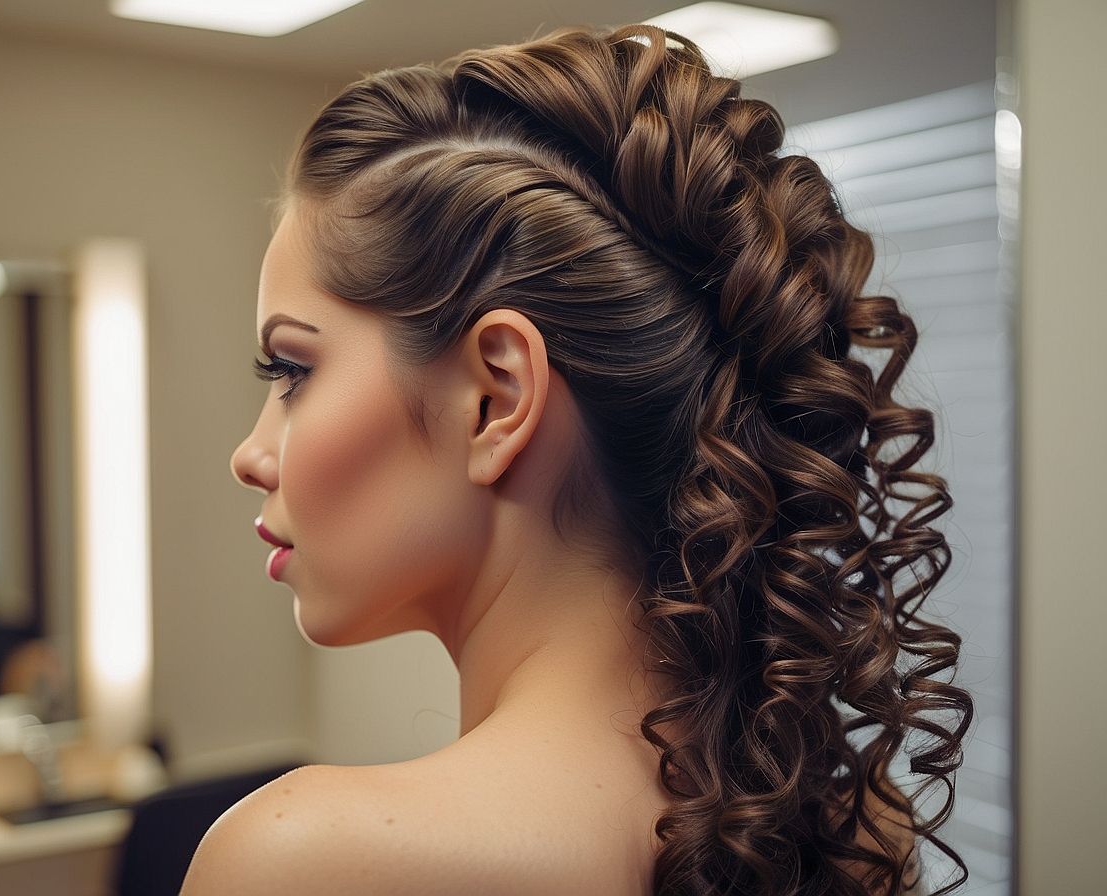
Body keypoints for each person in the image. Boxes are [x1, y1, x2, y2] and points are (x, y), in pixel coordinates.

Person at [187, 23, 972, 896]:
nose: (250, 455)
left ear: (496, 398)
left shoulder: (301, 862)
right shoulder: (856, 830)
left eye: (292, 370)